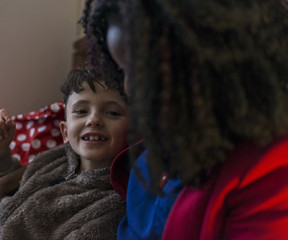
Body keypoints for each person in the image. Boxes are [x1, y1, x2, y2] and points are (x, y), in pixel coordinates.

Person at [81, 0, 288, 239]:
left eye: (141, 68)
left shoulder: (271, 172)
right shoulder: (147, 164)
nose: (128, 87)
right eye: (123, 70)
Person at [0, 68, 129, 240]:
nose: (93, 119)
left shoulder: (114, 204)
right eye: (81, 111)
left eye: (112, 113)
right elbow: (12, 194)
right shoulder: (55, 160)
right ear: (65, 132)